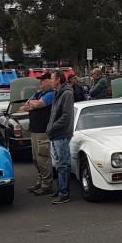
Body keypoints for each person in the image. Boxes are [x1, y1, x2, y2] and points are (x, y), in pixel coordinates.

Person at [20, 73, 56, 196]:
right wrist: (32, 104)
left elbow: (37, 104)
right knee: (36, 159)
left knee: (43, 158)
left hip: (43, 131)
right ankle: (41, 181)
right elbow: (24, 107)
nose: (40, 83)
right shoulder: (38, 94)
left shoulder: (51, 94)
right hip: (35, 130)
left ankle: (47, 185)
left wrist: (33, 104)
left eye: (43, 80)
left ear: (49, 81)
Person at [46, 71, 75, 204]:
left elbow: (66, 116)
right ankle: (60, 190)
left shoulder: (67, 93)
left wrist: (52, 127)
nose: (50, 81)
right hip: (56, 134)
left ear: (58, 80)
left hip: (61, 134)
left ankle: (64, 194)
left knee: (63, 164)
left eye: (52, 79)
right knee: (58, 164)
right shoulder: (58, 93)